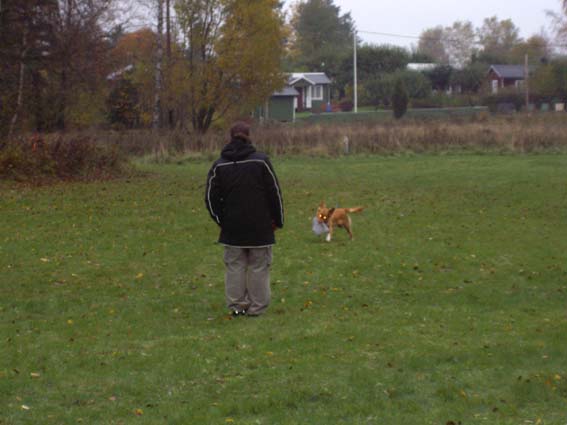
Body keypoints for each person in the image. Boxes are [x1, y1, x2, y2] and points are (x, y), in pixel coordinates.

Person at [205, 121, 284, 317]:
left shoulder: (219, 165)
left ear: (230, 138)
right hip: (260, 226)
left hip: (232, 227)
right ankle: (257, 308)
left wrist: (221, 220)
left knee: (235, 267)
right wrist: (277, 220)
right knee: (259, 267)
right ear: (249, 136)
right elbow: (274, 193)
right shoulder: (261, 162)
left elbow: (210, 198)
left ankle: (237, 306)